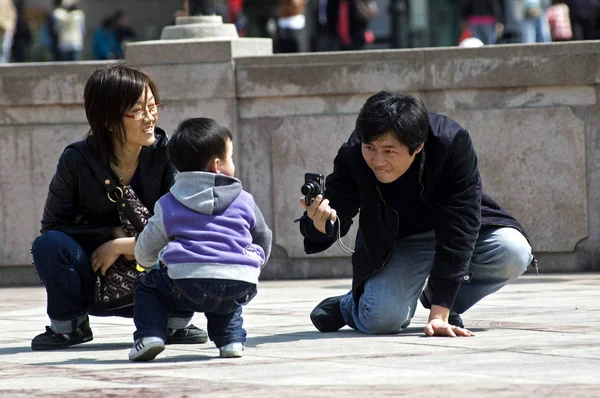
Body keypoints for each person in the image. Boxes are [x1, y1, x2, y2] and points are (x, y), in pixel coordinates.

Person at [300, 91, 534, 337]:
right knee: (381, 320)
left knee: (513, 251)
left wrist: (440, 314)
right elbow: (339, 211)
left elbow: (461, 223)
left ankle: (439, 296)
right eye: (370, 148)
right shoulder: (355, 153)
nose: (377, 160)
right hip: (399, 243)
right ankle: (351, 304)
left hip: (455, 231)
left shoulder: (451, 142)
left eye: (389, 151)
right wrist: (319, 224)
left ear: (418, 145)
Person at [30, 64, 208, 351]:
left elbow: (187, 226)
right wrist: (107, 234)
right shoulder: (76, 160)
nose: (150, 118)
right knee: (49, 245)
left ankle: (176, 322)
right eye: (138, 111)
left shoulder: (169, 153)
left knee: (187, 242)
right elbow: (53, 227)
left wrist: (121, 245)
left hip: (156, 276)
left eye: (153, 106)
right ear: (109, 120)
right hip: (98, 279)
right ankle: (69, 326)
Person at [128, 118, 272, 361]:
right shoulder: (245, 199)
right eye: (231, 157)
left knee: (148, 285)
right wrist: (253, 264)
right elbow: (263, 235)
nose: (232, 163)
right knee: (227, 290)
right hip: (241, 281)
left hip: (188, 282)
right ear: (217, 165)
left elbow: (147, 245)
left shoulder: (169, 202)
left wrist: (149, 262)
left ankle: (150, 335)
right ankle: (231, 340)